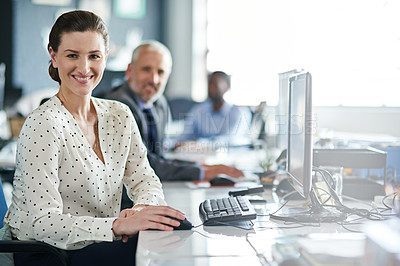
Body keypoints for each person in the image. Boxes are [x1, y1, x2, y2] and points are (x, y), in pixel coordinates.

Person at [4, 10, 186, 265]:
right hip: (50, 253)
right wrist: (117, 226)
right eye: (72, 56)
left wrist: (140, 212)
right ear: (54, 56)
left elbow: (146, 180)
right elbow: (42, 223)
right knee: (162, 253)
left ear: (106, 57)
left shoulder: (119, 115)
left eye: (94, 56)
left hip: (101, 242)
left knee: (171, 233)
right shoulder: (43, 124)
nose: (84, 67)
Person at [106, 41, 244, 185]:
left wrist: (202, 167)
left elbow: (158, 158)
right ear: (130, 71)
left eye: (160, 72)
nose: (154, 79)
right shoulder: (118, 106)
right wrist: (203, 172)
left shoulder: (160, 104)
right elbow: (142, 165)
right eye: (146, 69)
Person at [177, 71, 252, 144]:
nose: (211, 87)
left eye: (215, 83)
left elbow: (229, 140)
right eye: (210, 83)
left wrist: (198, 143)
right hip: (200, 154)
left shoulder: (239, 113)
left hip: (231, 155)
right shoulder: (199, 110)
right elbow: (184, 136)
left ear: (227, 87)